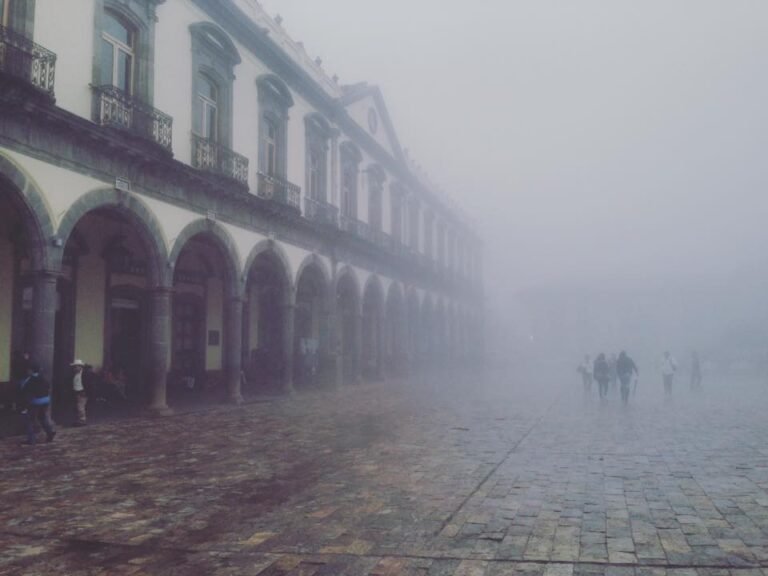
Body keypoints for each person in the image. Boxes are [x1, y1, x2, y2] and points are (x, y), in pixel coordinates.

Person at [18, 361, 56, 445]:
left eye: (28, 370)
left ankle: (31, 440)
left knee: (29, 420)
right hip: (45, 400)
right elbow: (48, 387)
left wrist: (24, 406)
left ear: (31, 370)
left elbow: (25, 392)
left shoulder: (30, 380)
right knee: (42, 417)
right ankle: (50, 431)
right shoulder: (43, 378)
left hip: (35, 402)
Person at [70, 359, 88, 426]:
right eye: (74, 367)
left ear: (80, 367)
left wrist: (85, 391)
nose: (75, 368)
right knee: (78, 406)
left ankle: (82, 420)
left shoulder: (85, 374)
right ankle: (79, 419)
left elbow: (89, 384)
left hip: (82, 392)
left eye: (76, 366)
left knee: (81, 407)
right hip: (76, 392)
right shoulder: (75, 374)